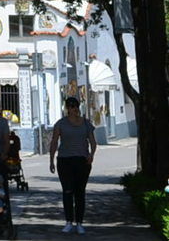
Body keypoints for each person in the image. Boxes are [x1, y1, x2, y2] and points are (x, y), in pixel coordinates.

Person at [48, 95, 98, 234]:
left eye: (75, 106)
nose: (73, 109)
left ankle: (80, 222)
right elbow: (54, 142)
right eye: (70, 106)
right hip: (65, 160)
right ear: (67, 108)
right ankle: (69, 221)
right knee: (67, 191)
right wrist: (51, 159)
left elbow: (93, 142)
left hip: (82, 160)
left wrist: (91, 155)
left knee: (80, 192)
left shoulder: (86, 123)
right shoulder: (60, 124)